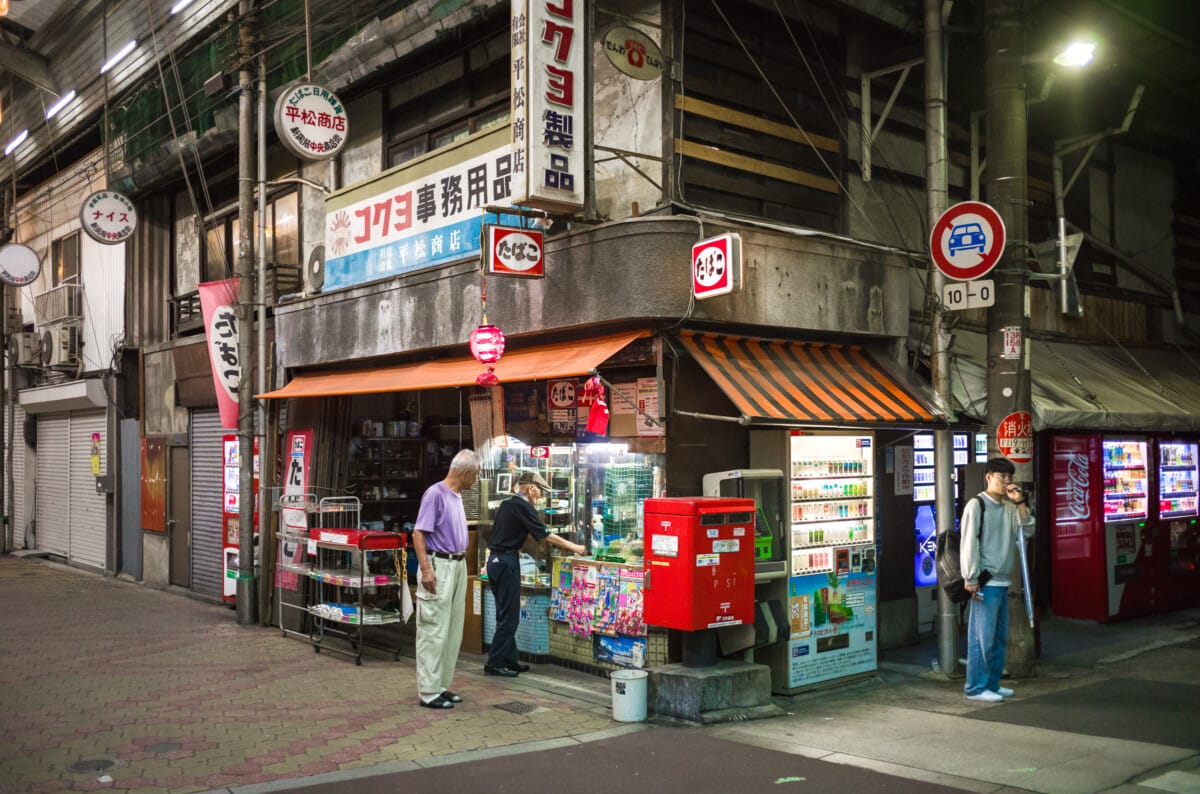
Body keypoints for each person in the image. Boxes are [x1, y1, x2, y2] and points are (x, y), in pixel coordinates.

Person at [484, 470, 586, 677]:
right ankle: (494, 663)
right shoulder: (522, 506)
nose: (540, 495)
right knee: (510, 617)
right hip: (506, 563)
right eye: (539, 490)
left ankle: (509, 660)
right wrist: (575, 547)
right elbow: (545, 535)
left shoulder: (506, 504)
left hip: (495, 562)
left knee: (505, 614)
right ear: (530, 488)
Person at [960, 457, 1034, 703]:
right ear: (988, 477)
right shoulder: (977, 504)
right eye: (1002, 477)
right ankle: (975, 687)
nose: (1007, 483)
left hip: (1003, 580)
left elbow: (1028, 530)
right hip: (985, 580)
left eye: (1010, 478)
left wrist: (1020, 502)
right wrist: (970, 577)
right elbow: (969, 542)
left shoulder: (1011, 506)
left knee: (1000, 637)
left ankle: (992, 683)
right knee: (982, 637)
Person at [412, 448, 481, 709]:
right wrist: (427, 570)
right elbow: (418, 534)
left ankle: (440, 685)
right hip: (439, 565)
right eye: (474, 476)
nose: (475, 481)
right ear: (465, 473)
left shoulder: (457, 496)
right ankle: (428, 691)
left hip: (457, 565)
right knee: (433, 629)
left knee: (452, 629)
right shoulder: (435, 494)